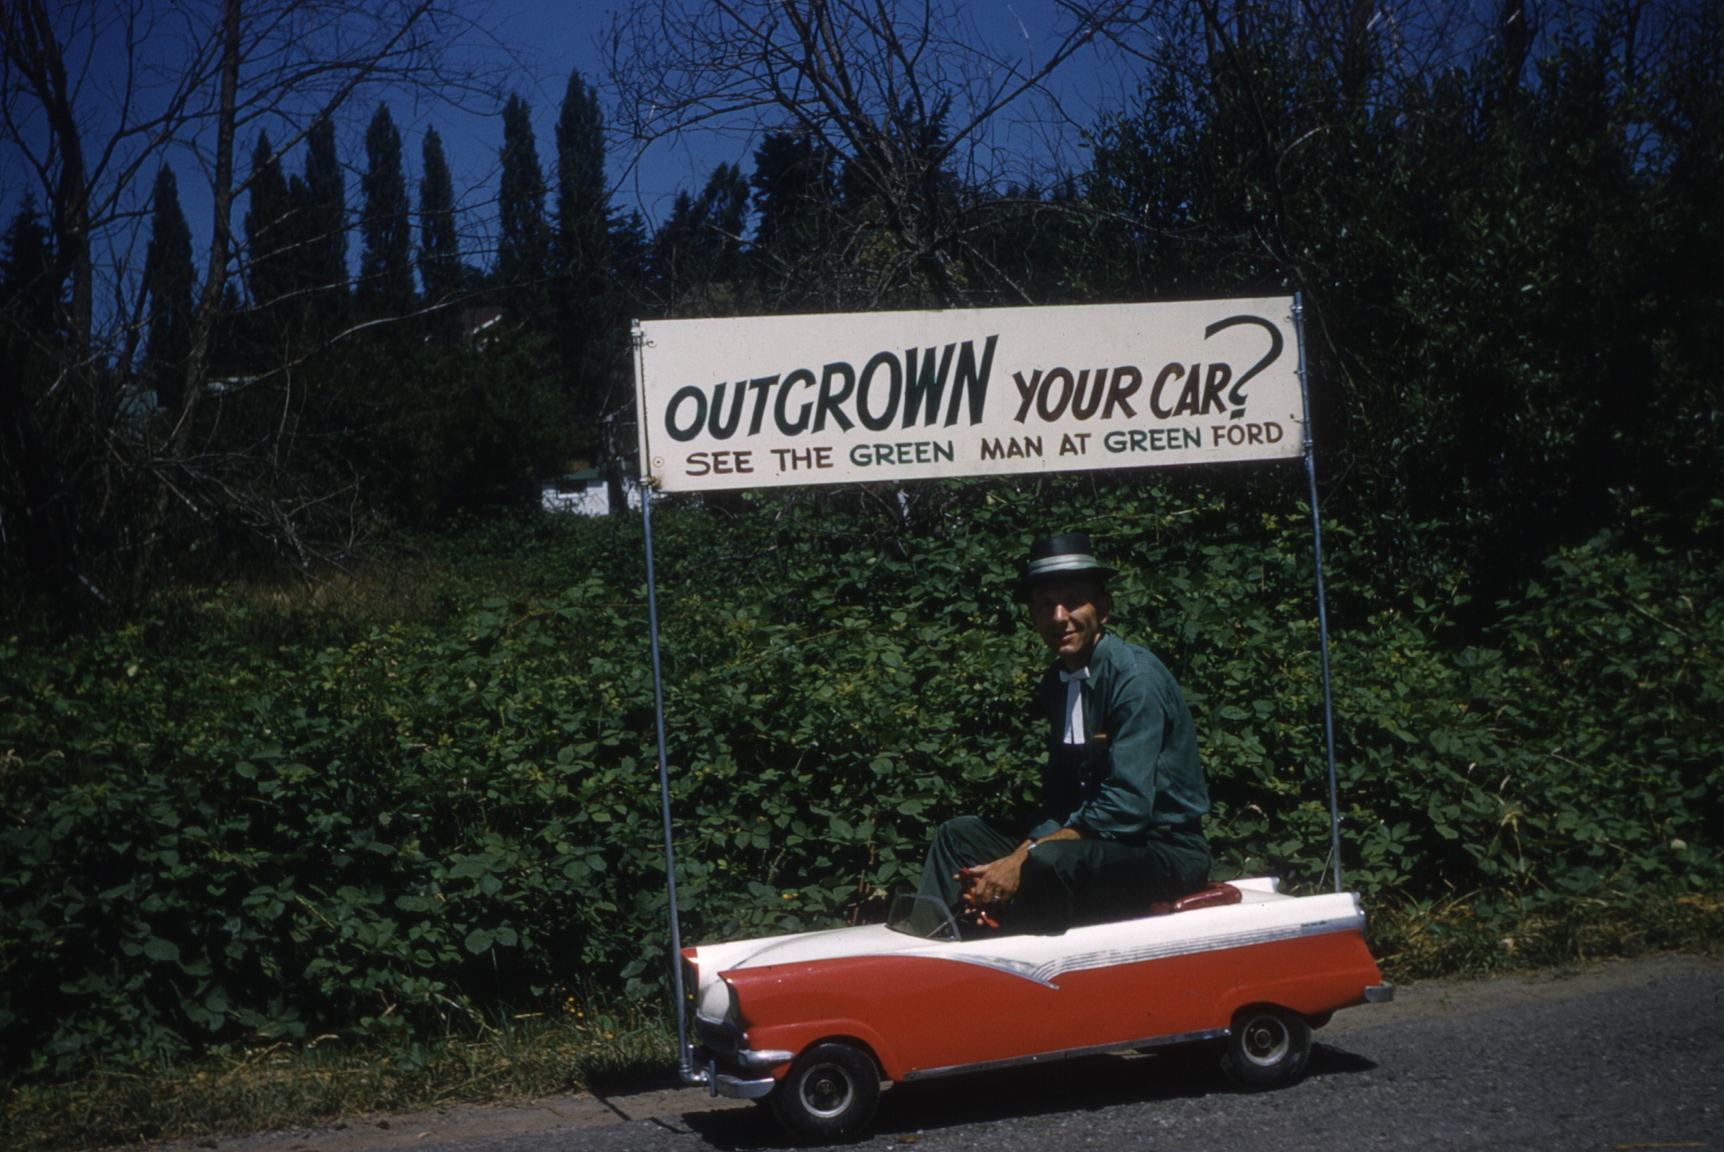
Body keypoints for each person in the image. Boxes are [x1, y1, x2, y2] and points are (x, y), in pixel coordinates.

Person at [917, 532, 1211, 935]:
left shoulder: (1134, 680)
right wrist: (1018, 852)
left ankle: (1018, 970)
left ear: (1103, 609)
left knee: (1050, 861)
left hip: (1160, 849)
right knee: (959, 835)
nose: (1059, 618)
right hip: (1090, 839)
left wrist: (1025, 856)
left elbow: (1126, 808)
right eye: (1044, 606)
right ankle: (935, 954)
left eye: (1073, 601)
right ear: (1034, 617)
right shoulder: (1056, 681)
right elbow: (1061, 799)